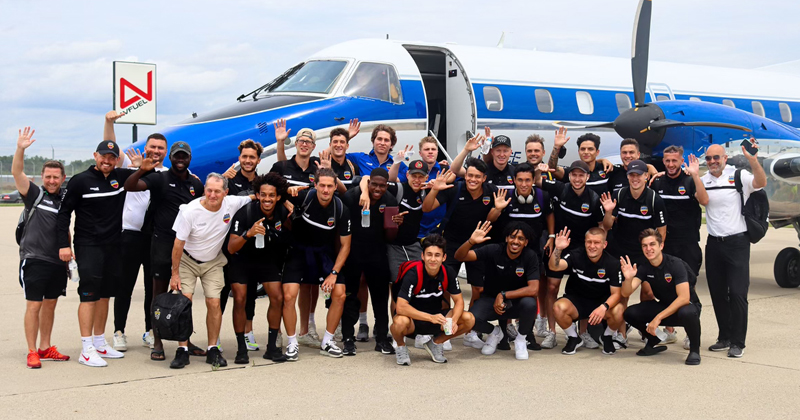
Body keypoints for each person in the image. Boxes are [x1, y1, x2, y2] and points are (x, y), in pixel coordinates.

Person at [124, 141, 206, 362]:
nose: (180, 159)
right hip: (161, 244)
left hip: (186, 247)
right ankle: (157, 341)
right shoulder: (159, 178)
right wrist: (142, 169)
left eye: (184, 156)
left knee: (185, 296)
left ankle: (185, 340)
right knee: (157, 294)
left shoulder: (195, 184)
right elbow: (130, 186)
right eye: (177, 156)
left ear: (189, 158)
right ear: (171, 157)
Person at [57, 140, 133, 367]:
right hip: (88, 246)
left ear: (116, 159)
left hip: (114, 246)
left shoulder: (120, 176)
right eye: (103, 156)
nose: (107, 161)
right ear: (95, 156)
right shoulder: (80, 181)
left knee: (105, 295)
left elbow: (149, 174)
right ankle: (86, 348)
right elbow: (63, 215)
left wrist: (142, 166)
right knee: (88, 296)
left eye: (111, 157)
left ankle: (100, 342)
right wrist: (64, 245)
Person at [168, 173, 253, 369]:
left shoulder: (232, 203)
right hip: (187, 260)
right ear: (204, 189)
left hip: (213, 261)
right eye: (209, 190)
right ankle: (182, 349)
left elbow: (256, 196)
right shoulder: (190, 211)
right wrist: (175, 274)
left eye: (217, 191)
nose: (212, 195)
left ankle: (213, 348)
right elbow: (178, 244)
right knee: (184, 302)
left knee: (214, 302)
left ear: (226, 192)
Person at [422, 155, 508, 349]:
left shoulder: (492, 192)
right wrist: (435, 189)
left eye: (477, 176)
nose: (473, 180)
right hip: (451, 244)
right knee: (443, 287)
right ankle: (444, 327)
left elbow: (490, 220)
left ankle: (471, 332)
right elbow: (427, 208)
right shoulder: (455, 189)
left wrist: (497, 209)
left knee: (478, 289)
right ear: (465, 175)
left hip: (478, 246)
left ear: (484, 178)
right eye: (470, 175)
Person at [701, 140, 766, 358]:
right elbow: (699, 197)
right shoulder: (704, 180)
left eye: (716, 157)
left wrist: (753, 161)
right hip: (714, 244)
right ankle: (724, 337)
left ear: (725, 158)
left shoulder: (738, 176)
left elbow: (761, 182)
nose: (712, 162)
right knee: (718, 294)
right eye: (709, 158)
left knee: (738, 294)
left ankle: (738, 342)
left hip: (737, 243)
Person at [110, 110, 168, 352]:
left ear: (165, 152)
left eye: (160, 148)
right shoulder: (131, 167)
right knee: (124, 285)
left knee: (151, 287)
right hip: (130, 235)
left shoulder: (168, 175)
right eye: (152, 146)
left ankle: (150, 330)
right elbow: (112, 149)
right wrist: (109, 123)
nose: (156, 151)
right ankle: (119, 331)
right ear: (146, 147)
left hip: (154, 238)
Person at [14, 127, 71, 368]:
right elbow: (17, 172)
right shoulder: (34, 194)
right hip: (34, 259)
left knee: (50, 304)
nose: (51, 180)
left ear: (62, 178)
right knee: (34, 305)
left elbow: (64, 226)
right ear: (42, 177)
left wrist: (68, 249)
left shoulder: (64, 199)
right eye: (47, 176)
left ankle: (46, 347)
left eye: (55, 177)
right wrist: (21, 149)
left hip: (57, 261)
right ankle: (31, 351)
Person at [282, 168, 352, 360]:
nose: (326, 190)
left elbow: (345, 246)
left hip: (324, 254)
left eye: (330, 186)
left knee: (340, 293)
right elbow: (273, 190)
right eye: (322, 185)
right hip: (298, 251)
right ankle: (292, 342)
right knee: (288, 296)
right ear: (315, 185)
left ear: (335, 187)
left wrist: (334, 273)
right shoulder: (303, 197)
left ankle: (328, 341)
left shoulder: (340, 208)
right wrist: (287, 196)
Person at [537, 160, 604, 349]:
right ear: (569, 176)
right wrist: (538, 170)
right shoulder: (561, 188)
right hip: (560, 244)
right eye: (574, 174)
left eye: (581, 175)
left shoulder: (593, 199)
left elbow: (601, 227)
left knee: (583, 288)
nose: (577, 178)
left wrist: (594, 248)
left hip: (582, 249)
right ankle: (551, 332)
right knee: (551, 287)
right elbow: (537, 181)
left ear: (587, 177)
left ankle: (582, 333)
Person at [226, 173, 292, 363]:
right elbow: (231, 248)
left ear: (278, 196)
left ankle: (272, 347)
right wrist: (249, 233)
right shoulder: (245, 212)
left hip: (266, 260)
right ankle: (241, 349)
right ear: (258, 195)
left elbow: (287, 233)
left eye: (271, 195)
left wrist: (290, 214)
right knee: (240, 299)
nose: (267, 199)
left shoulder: (281, 211)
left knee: (278, 297)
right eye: (263, 195)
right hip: (242, 260)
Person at [270, 122, 323, 346]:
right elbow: (269, 192)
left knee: (309, 285)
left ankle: (306, 328)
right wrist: (285, 197)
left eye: (308, 142)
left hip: (310, 236)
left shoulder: (317, 170)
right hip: (284, 235)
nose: (304, 145)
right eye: (301, 141)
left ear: (313, 146)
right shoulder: (282, 166)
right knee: (282, 287)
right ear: (296, 144)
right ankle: (279, 331)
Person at [455, 221, 540, 360]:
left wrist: (504, 295)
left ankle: (521, 339)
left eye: (521, 238)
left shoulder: (530, 256)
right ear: (506, 238)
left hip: (515, 302)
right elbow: (460, 256)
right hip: (490, 299)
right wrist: (471, 241)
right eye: (512, 237)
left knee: (530, 303)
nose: (515, 241)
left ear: (526, 242)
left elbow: (534, 289)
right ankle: (495, 332)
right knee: (471, 319)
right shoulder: (494, 250)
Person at [650, 146, 708, 347]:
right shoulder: (657, 181)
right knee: (666, 289)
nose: (671, 165)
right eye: (667, 161)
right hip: (665, 246)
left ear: (681, 160)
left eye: (675, 161)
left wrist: (696, 176)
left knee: (688, 290)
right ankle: (670, 330)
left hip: (688, 245)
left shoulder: (690, 180)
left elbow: (704, 200)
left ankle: (692, 332)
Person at [621, 229, 702, 365]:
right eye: (644, 246)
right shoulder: (645, 267)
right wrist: (628, 279)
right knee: (630, 313)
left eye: (652, 244)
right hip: (665, 306)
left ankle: (694, 350)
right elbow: (625, 293)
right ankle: (653, 339)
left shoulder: (675, 264)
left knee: (687, 311)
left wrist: (657, 318)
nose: (648, 249)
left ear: (661, 246)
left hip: (687, 308)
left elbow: (684, 298)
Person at [494, 163, 554, 345]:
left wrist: (551, 235)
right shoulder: (506, 197)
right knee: (505, 289)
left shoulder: (543, 196)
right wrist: (497, 208)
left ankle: (527, 332)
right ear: (514, 181)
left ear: (533, 180)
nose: (524, 184)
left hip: (532, 254)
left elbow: (550, 215)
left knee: (530, 293)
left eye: (528, 180)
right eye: (520, 180)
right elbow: (493, 220)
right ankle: (504, 332)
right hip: (508, 252)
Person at [391, 234, 475, 365]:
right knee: (398, 322)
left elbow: (459, 301)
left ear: (444, 257)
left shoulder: (449, 272)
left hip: (438, 319)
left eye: (437, 255)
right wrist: (430, 317)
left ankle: (436, 343)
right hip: (413, 321)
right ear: (422, 256)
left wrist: (453, 320)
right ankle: (401, 346)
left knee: (469, 319)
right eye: (429, 254)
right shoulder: (413, 273)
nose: (433, 259)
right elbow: (401, 307)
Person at [340, 168, 397, 355]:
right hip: (353, 253)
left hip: (377, 254)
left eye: (382, 185)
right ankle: (348, 338)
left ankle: (381, 338)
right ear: (369, 182)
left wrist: (395, 224)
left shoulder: (389, 200)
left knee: (380, 298)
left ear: (387, 185)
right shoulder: (352, 196)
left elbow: (390, 236)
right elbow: (341, 230)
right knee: (350, 297)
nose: (378, 189)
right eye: (375, 184)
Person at [548, 227, 624, 355]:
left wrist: (604, 307)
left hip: (600, 304)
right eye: (589, 242)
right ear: (584, 242)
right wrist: (558, 249)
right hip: (577, 302)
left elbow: (616, 294)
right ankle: (574, 338)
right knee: (558, 307)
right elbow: (554, 267)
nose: (592, 246)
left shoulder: (613, 263)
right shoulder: (576, 255)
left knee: (619, 310)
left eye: (596, 242)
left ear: (604, 245)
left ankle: (607, 337)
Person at [221, 139, 265, 352]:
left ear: (258, 159)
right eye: (244, 157)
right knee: (221, 293)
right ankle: (216, 336)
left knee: (249, 295)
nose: (248, 161)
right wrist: (222, 179)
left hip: (252, 245)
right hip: (227, 244)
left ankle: (248, 332)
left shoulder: (262, 182)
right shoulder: (228, 180)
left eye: (252, 157)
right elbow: (212, 200)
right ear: (239, 158)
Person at [390, 136, 447, 238]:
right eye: (426, 149)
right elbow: (392, 179)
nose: (430, 152)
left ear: (438, 152)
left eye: (433, 149)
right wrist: (398, 160)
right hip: (417, 229)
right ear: (420, 153)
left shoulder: (444, 170)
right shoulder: (411, 170)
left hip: (437, 229)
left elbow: (457, 173)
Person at [547, 129, 611, 196]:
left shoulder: (606, 169)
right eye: (583, 149)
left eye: (590, 149)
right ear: (578, 152)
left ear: (597, 152)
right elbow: (552, 168)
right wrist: (557, 147)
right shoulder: (572, 172)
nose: (586, 152)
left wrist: (602, 160)